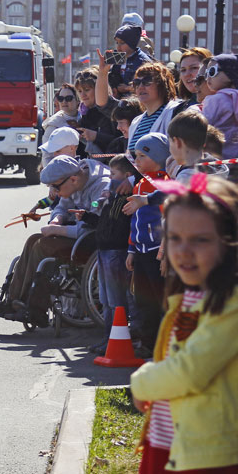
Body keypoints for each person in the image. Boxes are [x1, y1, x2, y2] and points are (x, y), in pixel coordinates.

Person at [130, 175, 238, 474]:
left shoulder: (230, 304)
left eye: (200, 239)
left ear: (229, 242)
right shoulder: (191, 296)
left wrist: (142, 382)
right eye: (174, 238)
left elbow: (191, 371)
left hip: (212, 454)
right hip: (172, 441)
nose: (184, 251)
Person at [0, 156, 111, 325]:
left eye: (55, 187)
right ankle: (12, 301)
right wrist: (56, 219)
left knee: (43, 247)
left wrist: (59, 230)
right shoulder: (74, 179)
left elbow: (97, 226)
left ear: (73, 179)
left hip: (93, 238)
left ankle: (36, 310)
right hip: (77, 231)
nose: (53, 192)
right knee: (33, 240)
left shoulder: (101, 186)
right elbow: (62, 206)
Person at [125, 133, 171, 355]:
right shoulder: (140, 184)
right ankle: (147, 342)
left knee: (161, 299)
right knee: (143, 300)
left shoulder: (165, 183)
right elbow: (135, 221)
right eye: (135, 156)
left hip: (157, 252)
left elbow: (169, 218)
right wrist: (131, 250)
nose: (138, 161)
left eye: (142, 156)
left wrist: (164, 251)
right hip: (141, 250)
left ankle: (163, 346)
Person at [86, 154, 135, 356]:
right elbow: (97, 212)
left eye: (114, 173)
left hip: (116, 251)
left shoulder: (130, 199)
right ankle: (108, 338)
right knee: (106, 300)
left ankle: (119, 338)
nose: (110, 177)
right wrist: (88, 214)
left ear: (127, 176)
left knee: (116, 300)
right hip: (103, 250)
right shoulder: (110, 197)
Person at [127, 62, 182, 154]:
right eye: (136, 83)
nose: (140, 87)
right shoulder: (135, 122)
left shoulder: (175, 112)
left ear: (162, 84)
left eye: (147, 82)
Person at [75, 68, 119, 156]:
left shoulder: (112, 110)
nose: (83, 95)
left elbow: (120, 141)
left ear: (98, 89)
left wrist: (96, 136)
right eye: (80, 91)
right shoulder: (82, 113)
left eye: (87, 90)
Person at [201, 53, 238, 159]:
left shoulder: (216, 100)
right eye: (206, 74)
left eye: (212, 71)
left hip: (218, 157)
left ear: (230, 74)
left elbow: (202, 124)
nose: (207, 78)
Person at [108, 24, 152, 99]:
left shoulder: (143, 61)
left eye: (122, 43)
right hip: (119, 101)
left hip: (137, 102)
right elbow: (110, 76)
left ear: (131, 44)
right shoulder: (116, 57)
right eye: (117, 42)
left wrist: (127, 88)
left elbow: (149, 85)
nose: (118, 47)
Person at [175, 48, 213, 114]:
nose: (187, 74)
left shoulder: (225, 105)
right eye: (183, 70)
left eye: (194, 68)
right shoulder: (178, 109)